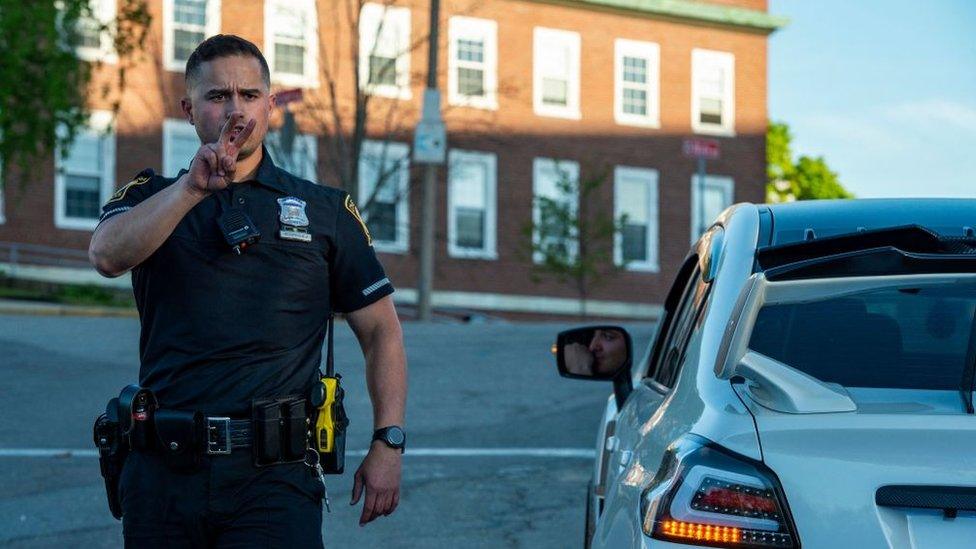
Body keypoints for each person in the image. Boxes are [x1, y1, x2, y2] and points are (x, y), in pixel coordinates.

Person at [88, 35, 407, 548]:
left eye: (250, 95)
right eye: (217, 97)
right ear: (189, 110)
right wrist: (190, 190)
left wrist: (388, 442)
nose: (235, 109)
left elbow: (382, 332)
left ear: (271, 104)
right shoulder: (152, 197)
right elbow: (106, 255)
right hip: (165, 473)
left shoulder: (325, 211)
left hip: (275, 481)